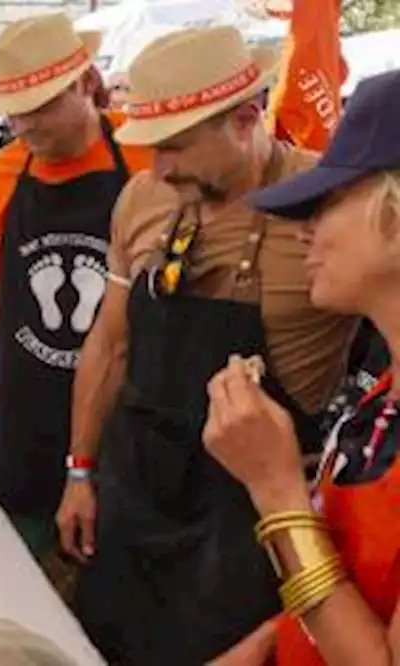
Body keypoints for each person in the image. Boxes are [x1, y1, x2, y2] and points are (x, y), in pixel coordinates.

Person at [58, 27, 357, 664]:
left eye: (175, 147)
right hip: (135, 493)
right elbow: (109, 343)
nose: (160, 168)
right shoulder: (141, 199)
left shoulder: (327, 205)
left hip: (248, 523)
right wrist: (80, 469)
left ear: (247, 118)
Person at [202, 69, 400, 666]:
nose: (305, 228)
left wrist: (276, 490)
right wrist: (265, 647)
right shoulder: (382, 393)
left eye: (329, 201)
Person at [0, 14, 152, 559]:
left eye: (42, 106)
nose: (26, 124)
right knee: (8, 557)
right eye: (15, 112)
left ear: (85, 83)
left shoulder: (145, 160)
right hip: (24, 398)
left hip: (119, 401)